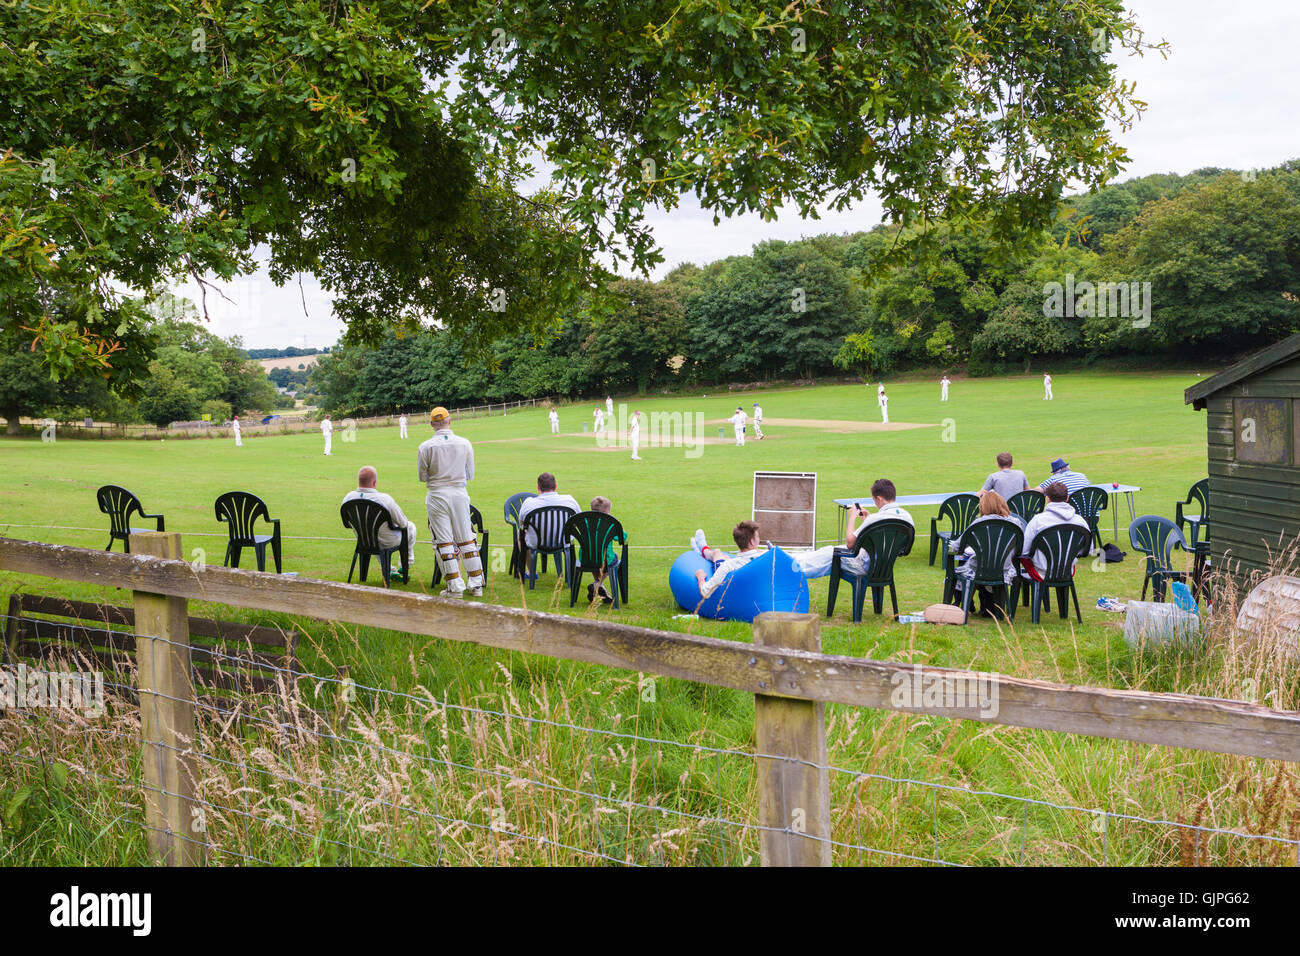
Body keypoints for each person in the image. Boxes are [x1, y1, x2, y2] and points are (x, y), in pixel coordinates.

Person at [417, 406, 484, 597]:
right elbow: (470, 474)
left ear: (431, 424)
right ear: (450, 421)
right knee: (466, 538)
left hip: (437, 494)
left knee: (444, 541)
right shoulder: (464, 443)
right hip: (459, 493)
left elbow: (422, 477)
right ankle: (476, 584)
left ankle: (454, 587)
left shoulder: (425, 447)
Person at [789, 478, 914, 579]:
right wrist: (868, 520)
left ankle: (793, 569)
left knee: (830, 554)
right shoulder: (907, 518)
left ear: (879, 499)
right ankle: (793, 558)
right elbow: (890, 540)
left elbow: (850, 543)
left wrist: (852, 517)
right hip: (885, 566)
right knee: (828, 550)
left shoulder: (875, 519)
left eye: (874, 500)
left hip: (864, 565)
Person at [950, 491, 1022, 615]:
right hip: (1005, 569)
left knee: (964, 564)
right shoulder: (1016, 522)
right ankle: (987, 607)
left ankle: (962, 603)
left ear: (982, 507)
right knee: (973, 563)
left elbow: (957, 547)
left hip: (980, 569)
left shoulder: (979, 523)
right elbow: (1020, 548)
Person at [343, 465, 417, 574]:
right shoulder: (384, 499)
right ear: (374, 482)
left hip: (363, 540)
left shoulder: (348, 497)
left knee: (373, 534)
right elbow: (403, 523)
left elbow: (347, 524)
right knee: (410, 527)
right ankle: (406, 564)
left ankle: (390, 570)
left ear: (359, 481)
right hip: (387, 541)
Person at [517, 472, 580, 576]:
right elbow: (578, 521)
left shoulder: (529, 503)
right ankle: (567, 575)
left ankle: (531, 571)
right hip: (563, 541)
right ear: (555, 486)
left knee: (520, 534)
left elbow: (522, 524)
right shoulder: (569, 500)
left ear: (538, 487)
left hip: (536, 542)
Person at [1022, 481, 1090, 576]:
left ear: (1047, 499)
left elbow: (1025, 550)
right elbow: (1086, 549)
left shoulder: (1038, 520)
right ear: (1067, 498)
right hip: (1067, 569)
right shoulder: (1080, 521)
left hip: (1042, 569)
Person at [692, 521, 768, 599]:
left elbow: (705, 592)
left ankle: (703, 549)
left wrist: (700, 577)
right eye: (758, 537)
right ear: (751, 542)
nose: (759, 539)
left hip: (731, 581)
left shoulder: (728, 565)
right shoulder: (766, 556)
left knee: (717, 553)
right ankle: (702, 550)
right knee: (724, 556)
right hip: (747, 585)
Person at [584, 495, 625, 604]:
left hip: (586, 557)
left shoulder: (584, 522)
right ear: (607, 512)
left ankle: (600, 587)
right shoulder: (610, 523)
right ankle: (597, 584)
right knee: (613, 557)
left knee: (595, 556)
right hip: (605, 560)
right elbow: (622, 537)